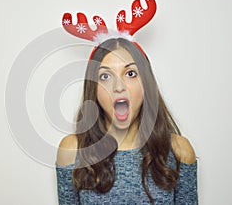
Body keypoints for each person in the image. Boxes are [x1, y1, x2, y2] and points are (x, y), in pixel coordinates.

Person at [55, 38, 198, 204]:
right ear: (93, 89)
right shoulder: (72, 150)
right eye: (105, 76)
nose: (118, 87)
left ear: (146, 84)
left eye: (130, 74)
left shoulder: (179, 150)